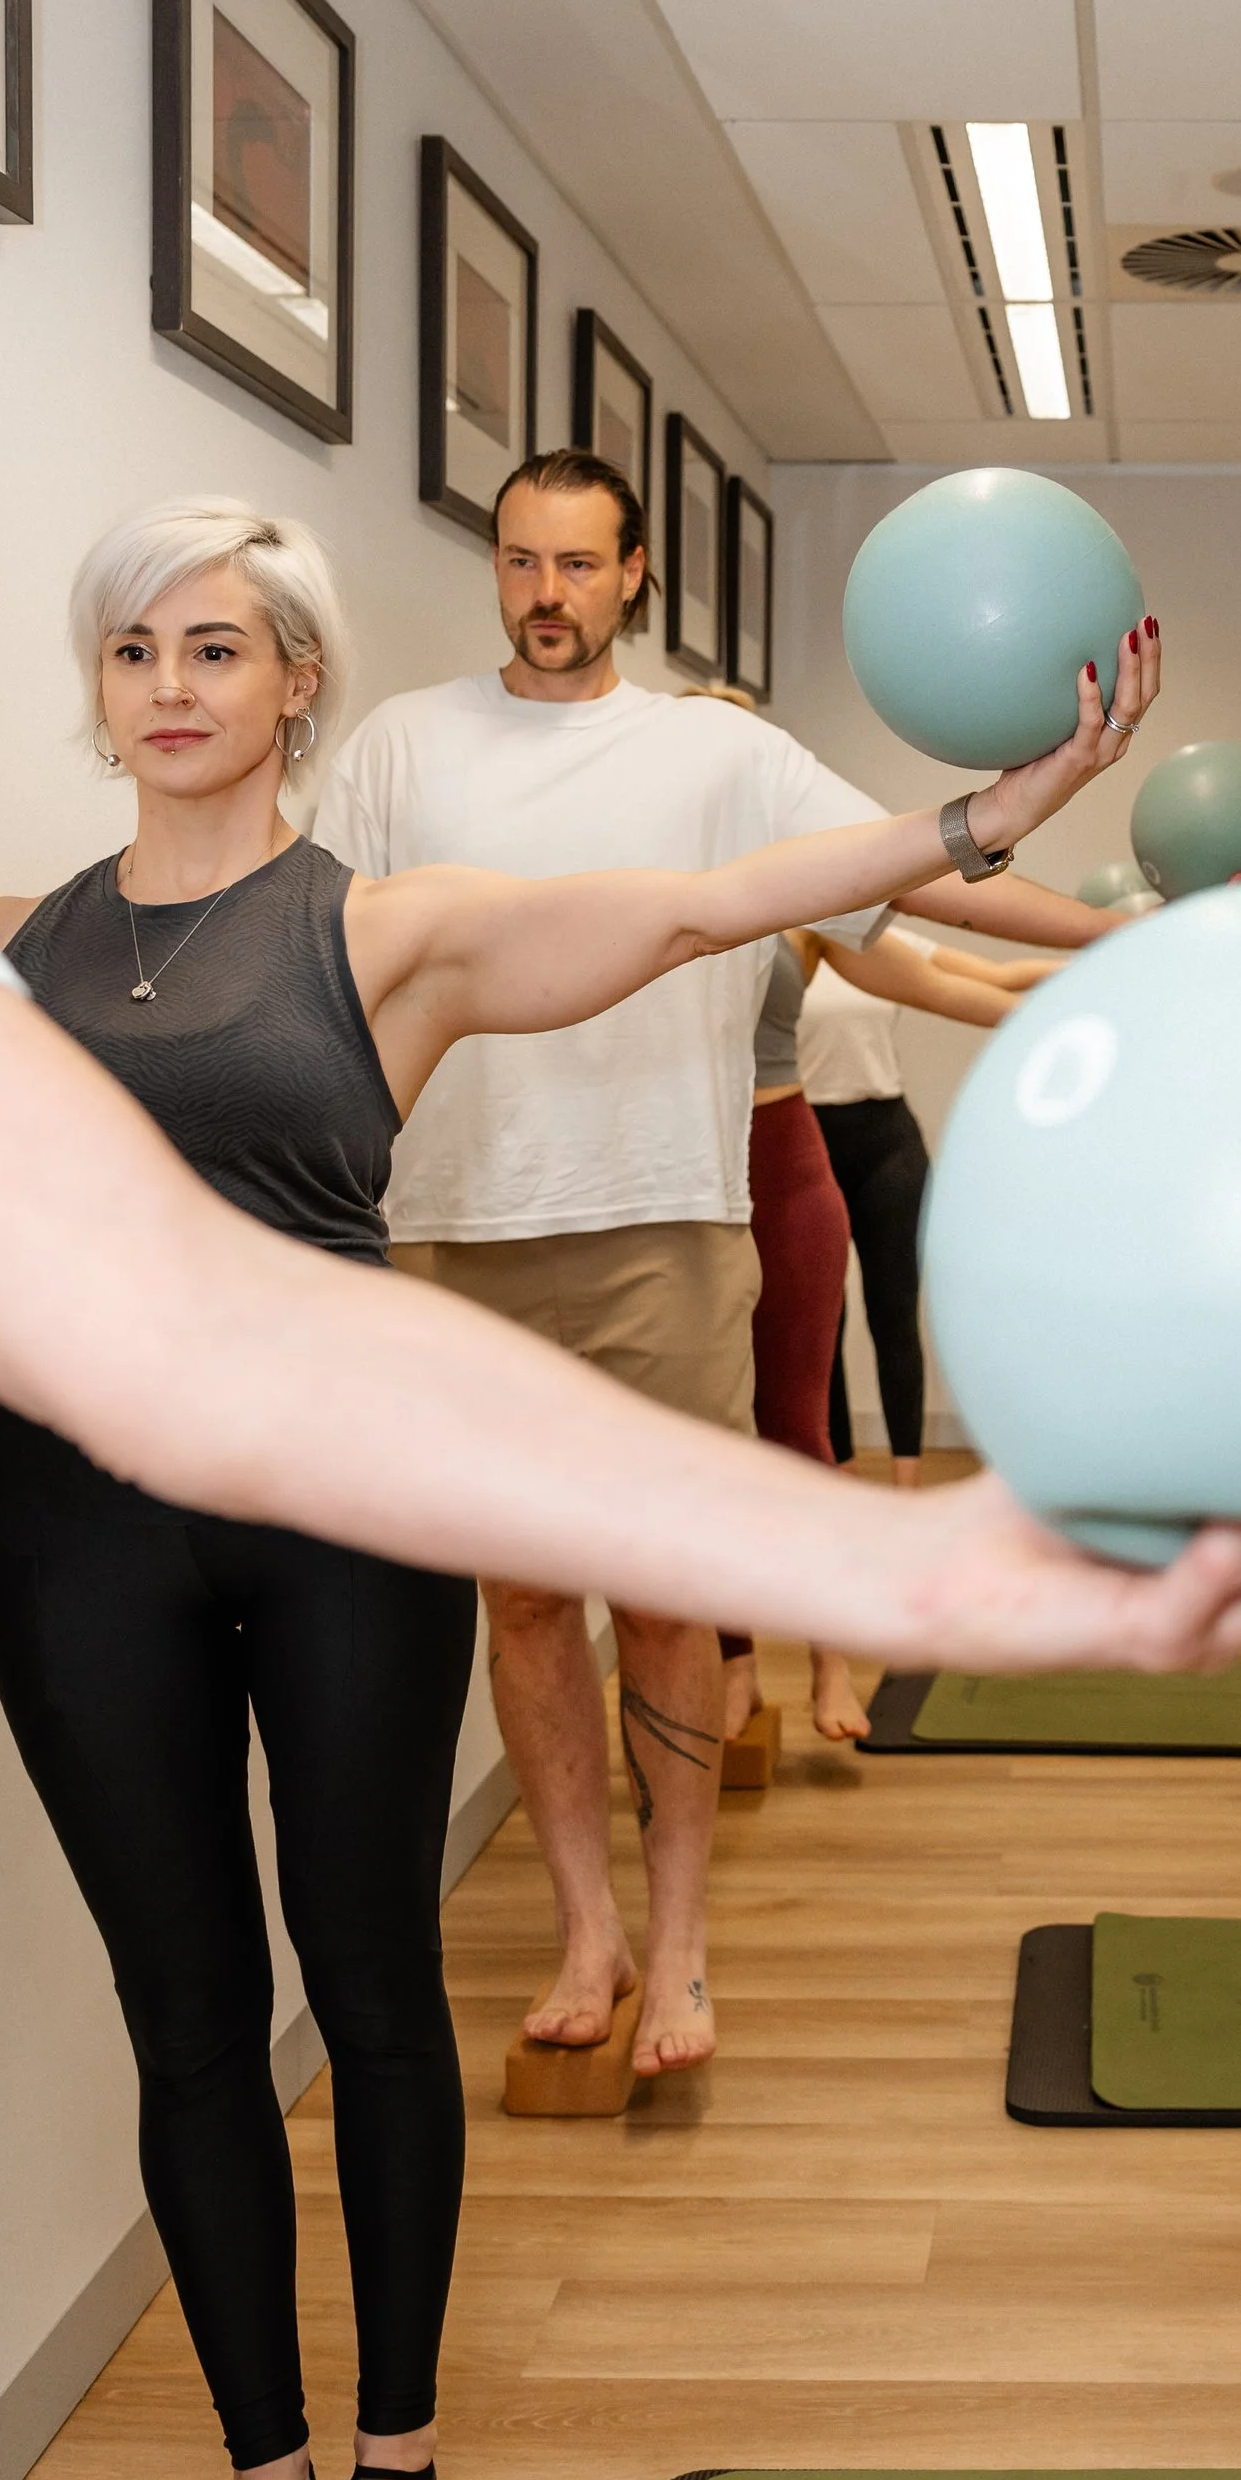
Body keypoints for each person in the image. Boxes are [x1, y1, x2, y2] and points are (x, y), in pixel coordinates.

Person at [0, 496, 1164, 2480]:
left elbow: (711, 901)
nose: (173, 685)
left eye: (219, 649)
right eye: (137, 649)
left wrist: (971, 819)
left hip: (338, 1506)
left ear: (294, 690)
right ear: (102, 691)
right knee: (182, 2020)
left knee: (362, 1981)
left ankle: (397, 2458)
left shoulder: (391, 935)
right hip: (71, 1539)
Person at [315, 451, 1141, 2084]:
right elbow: (315, 955)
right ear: (498, 571)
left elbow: (910, 863)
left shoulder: (715, 750)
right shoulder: (399, 747)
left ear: (634, 580)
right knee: (531, 1602)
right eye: (521, 561)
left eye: (577, 565)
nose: (545, 593)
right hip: (450, 1237)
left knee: (672, 1602)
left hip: (662, 1228)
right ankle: (586, 1930)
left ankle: (682, 1944)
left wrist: (1117, 925)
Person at [722, 925, 1055, 1746]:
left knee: (803, 1428)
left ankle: (831, 1661)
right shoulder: (669, 890)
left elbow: (961, 981)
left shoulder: (808, 918)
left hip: (789, 1160)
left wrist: (1108, 966)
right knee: (718, 1434)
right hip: (694, 1174)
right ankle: (736, 1666)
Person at [804, 926, 1056, 1490]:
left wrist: (1109, 951)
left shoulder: (875, 938)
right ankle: (841, 1478)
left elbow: (991, 977)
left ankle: (906, 1486)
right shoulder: (782, 946)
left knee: (893, 1316)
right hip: (806, 1144)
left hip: (886, 1146)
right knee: (823, 1325)